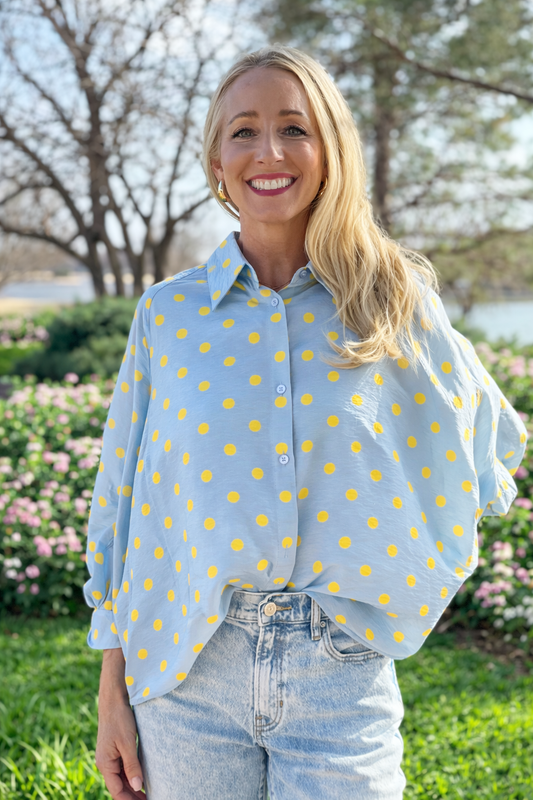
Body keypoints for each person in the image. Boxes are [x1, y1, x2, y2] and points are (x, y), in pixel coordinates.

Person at [83, 44, 528, 800]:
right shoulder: (168, 314)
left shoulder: (391, 298)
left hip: (341, 674)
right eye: (244, 132)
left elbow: (484, 447)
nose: (269, 152)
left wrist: (399, 580)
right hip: (187, 674)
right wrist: (111, 693)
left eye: (294, 128)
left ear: (330, 151)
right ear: (217, 162)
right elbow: (124, 507)